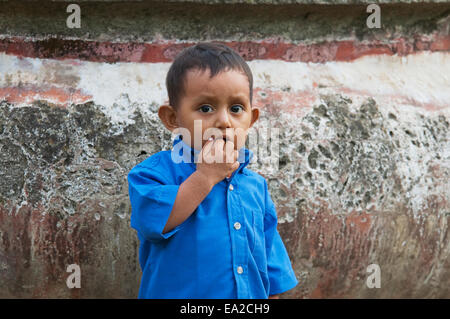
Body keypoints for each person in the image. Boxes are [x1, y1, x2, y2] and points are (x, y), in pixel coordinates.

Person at [127, 42, 298, 299]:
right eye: (205, 108)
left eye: (236, 109)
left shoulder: (255, 186)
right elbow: (156, 225)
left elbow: (269, 256)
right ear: (173, 118)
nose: (224, 121)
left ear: (250, 120)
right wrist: (205, 177)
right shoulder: (153, 174)